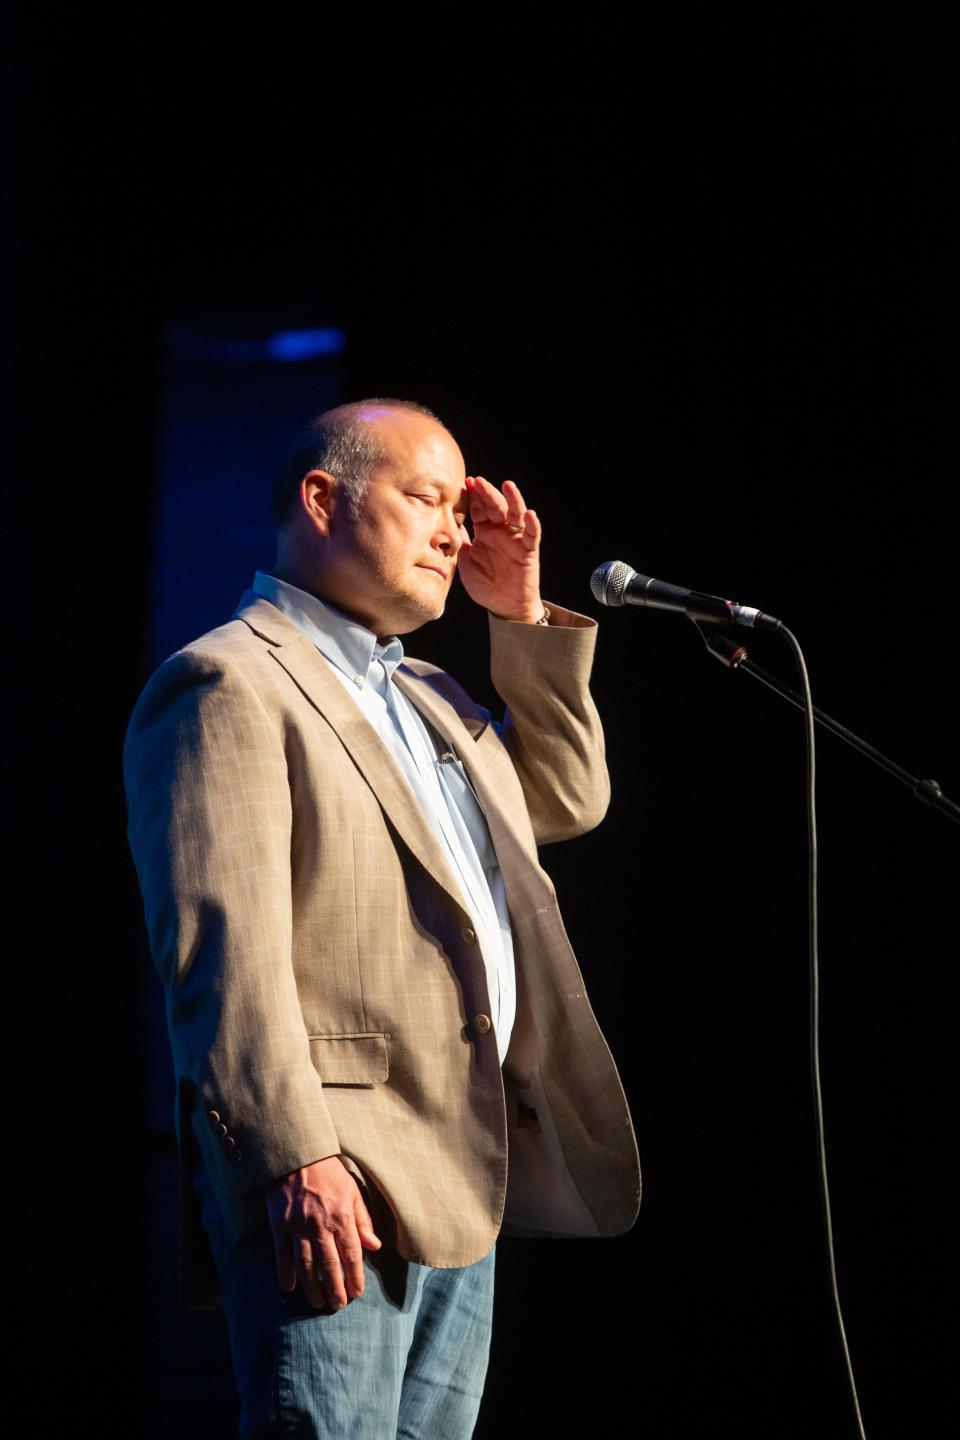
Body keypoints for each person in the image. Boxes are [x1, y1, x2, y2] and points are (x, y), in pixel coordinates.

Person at [124, 398, 640, 1438]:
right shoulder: (228, 681)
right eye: (428, 500)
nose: (457, 529)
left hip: (458, 1177)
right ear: (322, 499)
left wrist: (522, 623)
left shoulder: (436, 696)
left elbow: (569, 797)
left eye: (461, 508)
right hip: (336, 1174)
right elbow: (223, 956)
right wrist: (288, 1158)